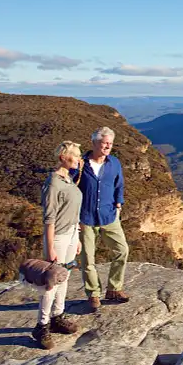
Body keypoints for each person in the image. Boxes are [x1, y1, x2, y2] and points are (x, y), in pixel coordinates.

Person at [74, 126, 130, 311]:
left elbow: (118, 185)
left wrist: (119, 205)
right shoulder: (80, 164)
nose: (107, 146)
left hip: (109, 216)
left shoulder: (114, 163)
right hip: (86, 218)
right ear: (94, 143)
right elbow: (70, 189)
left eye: (110, 143)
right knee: (87, 259)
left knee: (122, 251)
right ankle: (94, 294)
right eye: (104, 142)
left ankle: (114, 289)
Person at [33, 140, 82, 349]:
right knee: (51, 282)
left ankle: (57, 316)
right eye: (75, 155)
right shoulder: (53, 183)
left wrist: (77, 236)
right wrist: (50, 246)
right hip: (59, 237)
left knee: (65, 277)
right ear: (63, 157)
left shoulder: (69, 179)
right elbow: (49, 218)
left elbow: (73, 212)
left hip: (71, 234)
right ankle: (41, 325)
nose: (79, 159)